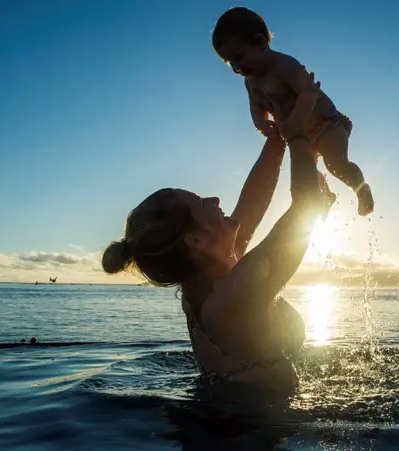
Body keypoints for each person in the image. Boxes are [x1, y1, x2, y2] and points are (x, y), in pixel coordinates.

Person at [101, 85, 332, 390]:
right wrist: (300, 132)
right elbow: (306, 206)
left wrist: (278, 138)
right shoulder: (232, 297)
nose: (215, 199)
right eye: (201, 203)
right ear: (195, 240)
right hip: (254, 427)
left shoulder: (208, 281)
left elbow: (253, 201)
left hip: (228, 419)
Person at [211, 6, 375, 216]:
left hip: (327, 124)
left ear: (260, 43)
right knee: (306, 173)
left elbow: (308, 93)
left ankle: (361, 189)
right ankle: (326, 196)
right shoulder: (251, 82)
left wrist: (295, 121)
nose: (237, 68)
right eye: (230, 63)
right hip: (300, 135)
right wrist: (262, 124)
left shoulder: (285, 66)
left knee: (336, 165)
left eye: (239, 57)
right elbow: (256, 106)